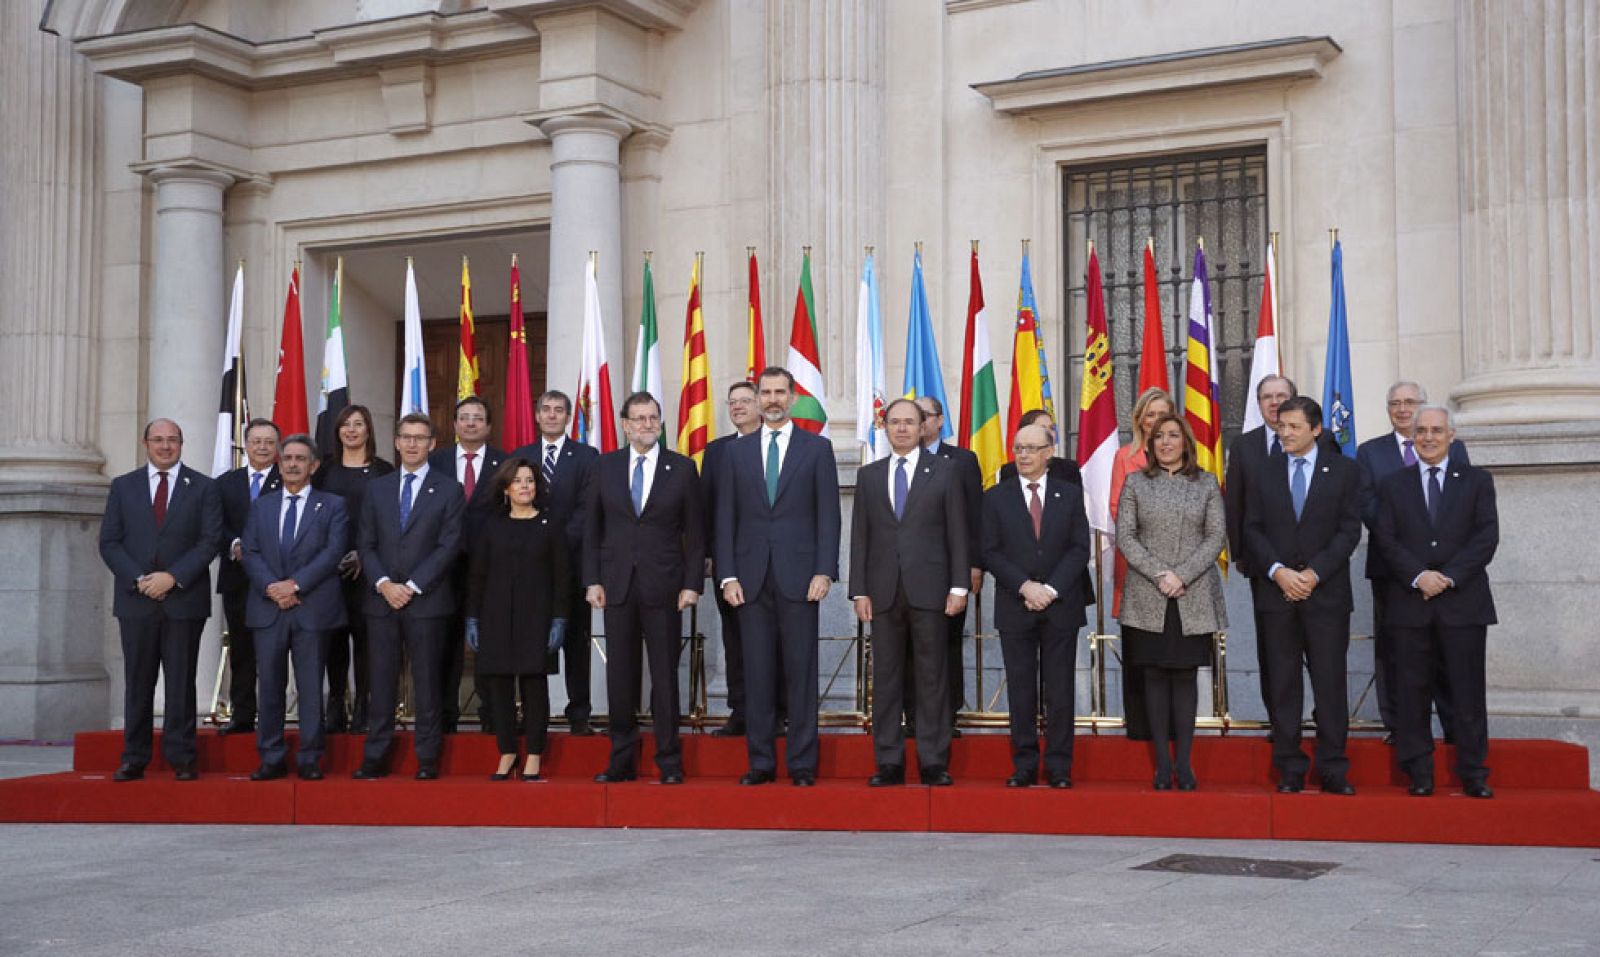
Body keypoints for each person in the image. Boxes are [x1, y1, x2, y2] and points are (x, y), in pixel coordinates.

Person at [716, 366, 842, 787]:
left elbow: (829, 516)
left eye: (779, 392)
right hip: (749, 580)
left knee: (801, 672)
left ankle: (803, 764)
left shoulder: (817, 449)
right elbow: (725, 519)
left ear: (791, 397)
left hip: (801, 577)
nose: (772, 399)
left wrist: (825, 570)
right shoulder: (736, 453)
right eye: (765, 392)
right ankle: (761, 763)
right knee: (757, 673)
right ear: (758, 398)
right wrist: (727, 575)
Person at [1373, 406, 1498, 799]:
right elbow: (1386, 539)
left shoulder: (1477, 481)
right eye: (1421, 431)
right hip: (1410, 603)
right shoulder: (1393, 484)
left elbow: (1485, 537)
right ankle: (1419, 772)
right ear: (1412, 437)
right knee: (1411, 692)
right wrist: (1418, 576)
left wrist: (1447, 578)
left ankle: (1473, 771)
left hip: (1462, 602)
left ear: (1451, 436)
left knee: (1466, 692)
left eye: (1436, 431)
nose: (1428, 437)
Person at [1244, 396, 1362, 795]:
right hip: (1277, 596)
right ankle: (1290, 768)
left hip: (1325, 594)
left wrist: (1313, 573)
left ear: (1316, 430)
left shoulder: (1344, 471)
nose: (1285, 433)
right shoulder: (1264, 470)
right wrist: (1278, 572)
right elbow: (1251, 528)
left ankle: (1333, 768)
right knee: (1282, 684)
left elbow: (1349, 530)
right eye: (1281, 426)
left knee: (1329, 683)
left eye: (1293, 426)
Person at [585, 393, 705, 784]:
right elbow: (591, 530)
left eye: (653, 418)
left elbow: (696, 533)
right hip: (616, 586)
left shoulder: (682, 468)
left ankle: (668, 760)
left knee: (665, 677)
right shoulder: (604, 467)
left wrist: (692, 585)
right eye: (638, 418)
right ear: (624, 424)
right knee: (620, 675)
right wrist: (592, 580)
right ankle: (621, 759)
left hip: (666, 587)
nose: (646, 425)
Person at [850, 399, 969, 786]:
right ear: (884, 427)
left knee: (932, 677)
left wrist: (958, 586)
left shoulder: (946, 472)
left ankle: (933, 761)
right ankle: (889, 762)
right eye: (894, 422)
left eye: (909, 422)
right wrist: (858, 591)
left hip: (931, 590)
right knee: (884, 678)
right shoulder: (869, 476)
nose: (901, 428)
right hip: (882, 592)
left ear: (923, 428)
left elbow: (957, 532)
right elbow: (861, 538)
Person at [98, 418, 223, 781]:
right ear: (145, 443)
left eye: (172, 440)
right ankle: (134, 757)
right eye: (158, 440)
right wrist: (140, 579)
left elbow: (209, 541)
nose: (165, 446)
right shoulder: (123, 487)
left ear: (181, 444)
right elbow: (110, 542)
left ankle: (182, 757)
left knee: (181, 681)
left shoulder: (203, 487)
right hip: (137, 600)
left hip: (184, 599)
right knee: (138, 681)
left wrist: (173, 577)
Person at [1115, 415, 1227, 791]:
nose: (1165, 442)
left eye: (1173, 436)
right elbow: (1126, 537)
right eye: (1159, 436)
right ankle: (1163, 765)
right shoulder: (1135, 482)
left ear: (1186, 441)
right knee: (1154, 678)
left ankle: (1185, 764)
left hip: (1192, 594)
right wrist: (1161, 575)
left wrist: (1182, 575)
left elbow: (1215, 537)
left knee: (1185, 678)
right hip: (1148, 595)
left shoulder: (1206, 483)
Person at [353, 413, 465, 780]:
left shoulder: (449, 489)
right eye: (406, 437)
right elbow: (365, 543)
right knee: (380, 681)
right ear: (396, 442)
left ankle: (428, 757)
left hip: (427, 601)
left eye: (420, 438)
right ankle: (376, 756)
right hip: (381, 600)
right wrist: (384, 583)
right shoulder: (377, 488)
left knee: (428, 682)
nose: (413, 444)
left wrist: (413, 585)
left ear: (433, 444)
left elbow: (450, 545)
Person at [1357, 381, 1470, 744]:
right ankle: (1398, 725)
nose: (1402, 409)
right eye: (1395, 403)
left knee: (1447, 651)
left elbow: (1462, 506)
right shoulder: (1370, 453)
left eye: (1410, 403)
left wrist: (1434, 561)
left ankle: (1453, 726)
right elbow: (1370, 509)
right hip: (1393, 570)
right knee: (1394, 652)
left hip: (1444, 572)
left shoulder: (1457, 450)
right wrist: (1412, 561)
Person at [982, 423, 1091, 788]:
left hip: (1061, 605)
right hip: (1016, 604)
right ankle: (1025, 764)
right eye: (1018, 448)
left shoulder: (1069, 494)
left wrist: (1052, 588)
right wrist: (1026, 586)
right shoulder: (996, 497)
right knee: (1022, 689)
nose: (1024, 455)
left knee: (1059, 690)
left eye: (1031, 448)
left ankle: (1059, 767)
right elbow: (990, 551)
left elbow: (1079, 548)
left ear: (1049, 452)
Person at [239, 434, 349, 781]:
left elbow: (333, 552)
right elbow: (250, 551)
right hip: (269, 606)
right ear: (279, 463)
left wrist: (295, 584)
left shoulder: (332, 505)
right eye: (287, 457)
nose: (292, 464)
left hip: (311, 606)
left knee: (311, 686)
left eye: (300, 458)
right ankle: (270, 757)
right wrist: (272, 587)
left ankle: (310, 758)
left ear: (313, 466)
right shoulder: (262, 505)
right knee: (269, 685)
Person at [464, 458, 570, 781]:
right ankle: (507, 751)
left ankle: (535, 753)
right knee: (498, 687)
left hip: (536, 618)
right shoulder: (492, 525)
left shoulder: (550, 525)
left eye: (530, 480)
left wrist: (559, 619)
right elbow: (477, 575)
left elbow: (562, 577)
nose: (525, 486)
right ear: (507, 488)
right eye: (519, 481)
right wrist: (472, 618)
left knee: (534, 686)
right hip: (495, 617)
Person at [512, 390, 599, 735]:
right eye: (545, 409)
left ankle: (579, 714)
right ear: (536, 415)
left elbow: (588, 509)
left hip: (573, 564)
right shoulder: (521, 456)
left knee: (576, 642)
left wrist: (554, 543)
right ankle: (535, 716)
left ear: (568, 417)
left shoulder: (587, 456)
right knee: (533, 642)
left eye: (558, 410)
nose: (551, 415)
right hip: (530, 568)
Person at [311, 403, 394, 733]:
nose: (352, 430)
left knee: (366, 639)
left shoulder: (384, 470)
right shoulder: (324, 471)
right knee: (333, 638)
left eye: (358, 424)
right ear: (337, 431)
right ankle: (336, 702)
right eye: (346, 425)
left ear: (369, 429)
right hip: (328, 570)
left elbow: (388, 522)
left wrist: (363, 554)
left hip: (370, 570)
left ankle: (364, 704)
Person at [700, 380, 775, 737]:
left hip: (773, 561)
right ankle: (741, 710)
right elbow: (709, 506)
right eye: (732, 403)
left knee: (774, 638)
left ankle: (777, 712)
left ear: (760, 405)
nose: (738, 407)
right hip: (730, 563)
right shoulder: (717, 451)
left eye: (745, 401)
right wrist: (712, 554)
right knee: (735, 638)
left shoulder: (778, 444)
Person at [429, 395, 506, 734]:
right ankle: (445, 716)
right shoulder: (436, 462)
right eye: (465, 418)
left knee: (490, 643)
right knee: (445, 643)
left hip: (491, 569)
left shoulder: (507, 464)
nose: (471, 423)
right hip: (444, 569)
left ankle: (493, 716)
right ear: (455, 424)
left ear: (489, 426)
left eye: (478, 418)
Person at [1223, 374, 1295, 729]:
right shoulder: (1245, 446)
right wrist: (1240, 553)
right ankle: (1279, 723)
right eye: (1267, 396)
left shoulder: (1321, 441)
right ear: (1259, 402)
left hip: (1312, 570)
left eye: (1281, 395)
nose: (1275, 402)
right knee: (1272, 649)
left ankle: (1319, 718)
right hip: (1263, 565)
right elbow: (1234, 501)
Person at [913, 395, 983, 740]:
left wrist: (973, 565)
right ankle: (911, 714)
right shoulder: (897, 460)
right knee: (910, 645)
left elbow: (974, 517)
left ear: (940, 420)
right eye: (914, 416)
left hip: (950, 571)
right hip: (909, 573)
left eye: (924, 416)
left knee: (948, 642)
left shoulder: (962, 461)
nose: (919, 423)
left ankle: (948, 712)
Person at [1108, 386, 1175, 741]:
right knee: (1139, 650)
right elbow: (1120, 512)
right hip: (1136, 569)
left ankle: (1173, 727)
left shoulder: (1187, 459)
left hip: (1181, 572)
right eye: (1149, 415)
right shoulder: (1125, 457)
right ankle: (1140, 730)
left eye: (1162, 414)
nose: (1155, 421)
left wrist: (1175, 562)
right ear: (1140, 421)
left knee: (1174, 653)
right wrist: (1152, 562)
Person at [214, 418, 282, 735]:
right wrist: (234, 543)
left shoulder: (289, 480)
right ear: (246, 444)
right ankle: (242, 715)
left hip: (277, 580)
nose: (263, 447)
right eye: (257, 441)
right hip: (238, 581)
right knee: (242, 651)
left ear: (278, 446)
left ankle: (273, 716)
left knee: (275, 652)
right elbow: (214, 526)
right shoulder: (226, 483)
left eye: (269, 442)